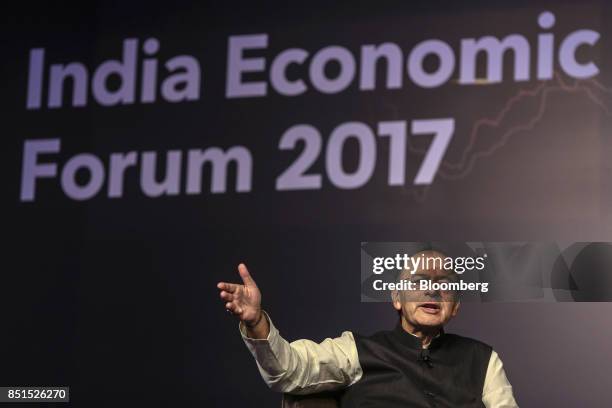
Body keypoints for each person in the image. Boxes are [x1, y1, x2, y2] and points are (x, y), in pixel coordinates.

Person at [217, 251, 518, 407]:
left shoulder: (483, 360)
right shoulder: (356, 350)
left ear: (455, 307)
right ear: (397, 298)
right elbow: (290, 371)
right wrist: (256, 322)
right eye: (419, 282)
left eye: (444, 286)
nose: (432, 292)